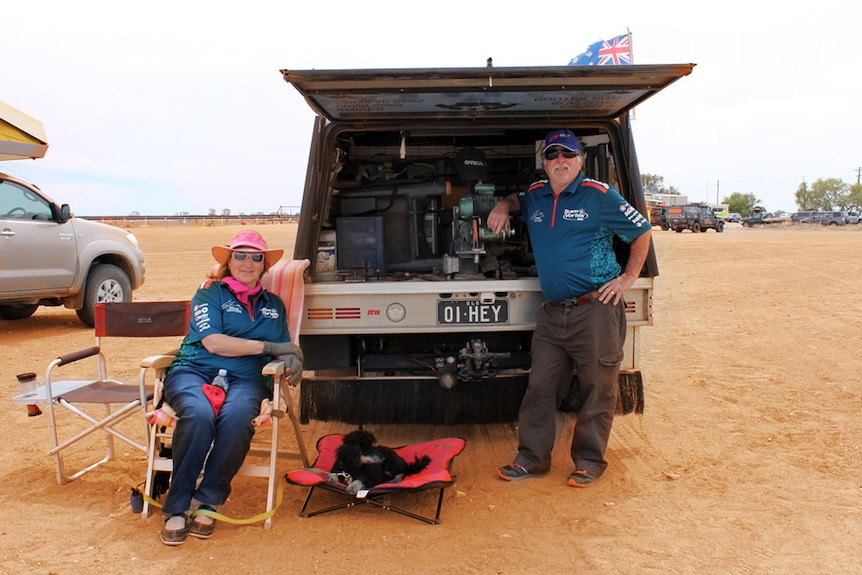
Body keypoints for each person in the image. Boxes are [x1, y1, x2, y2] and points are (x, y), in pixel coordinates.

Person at [487, 129, 652, 488]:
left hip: (595, 310)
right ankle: (532, 458)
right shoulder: (536, 195)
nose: (559, 160)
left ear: (579, 159)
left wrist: (626, 279)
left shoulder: (599, 195)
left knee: (598, 389)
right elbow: (516, 200)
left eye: (567, 154)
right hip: (551, 313)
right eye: (552, 154)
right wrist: (501, 206)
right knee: (541, 388)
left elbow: (641, 230)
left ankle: (589, 461)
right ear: (544, 163)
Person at [158, 230, 303, 545]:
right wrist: (269, 346)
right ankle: (178, 504)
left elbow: (283, 347)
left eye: (256, 257)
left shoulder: (274, 305)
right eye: (240, 255)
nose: (247, 263)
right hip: (194, 371)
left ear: (264, 265)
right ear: (228, 260)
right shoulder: (210, 294)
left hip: (248, 379)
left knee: (237, 417)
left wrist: (290, 359)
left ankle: (209, 501)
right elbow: (213, 342)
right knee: (197, 414)